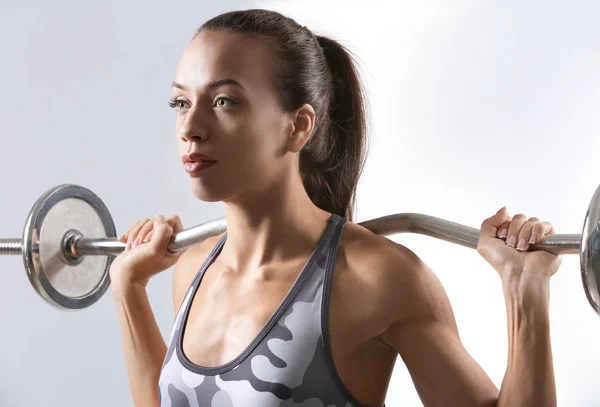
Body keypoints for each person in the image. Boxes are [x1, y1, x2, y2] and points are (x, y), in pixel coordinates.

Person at [108, 9, 563, 407]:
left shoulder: (376, 278)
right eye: (181, 102)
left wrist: (525, 291)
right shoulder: (193, 270)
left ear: (298, 127)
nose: (190, 127)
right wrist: (129, 287)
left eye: (224, 101)